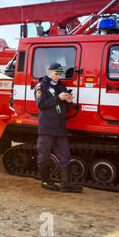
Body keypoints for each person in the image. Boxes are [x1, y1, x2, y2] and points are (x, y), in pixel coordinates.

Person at [34, 62, 83, 193]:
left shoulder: (61, 86)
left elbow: (64, 109)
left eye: (60, 74)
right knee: (44, 156)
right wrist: (58, 97)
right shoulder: (41, 86)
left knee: (65, 155)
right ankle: (45, 181)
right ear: (49, 72)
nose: (58, 76)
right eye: (56, 73)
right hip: (47, 128)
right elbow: (41, 104)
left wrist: (69, 102)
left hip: (60, 129)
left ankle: (65, 184)